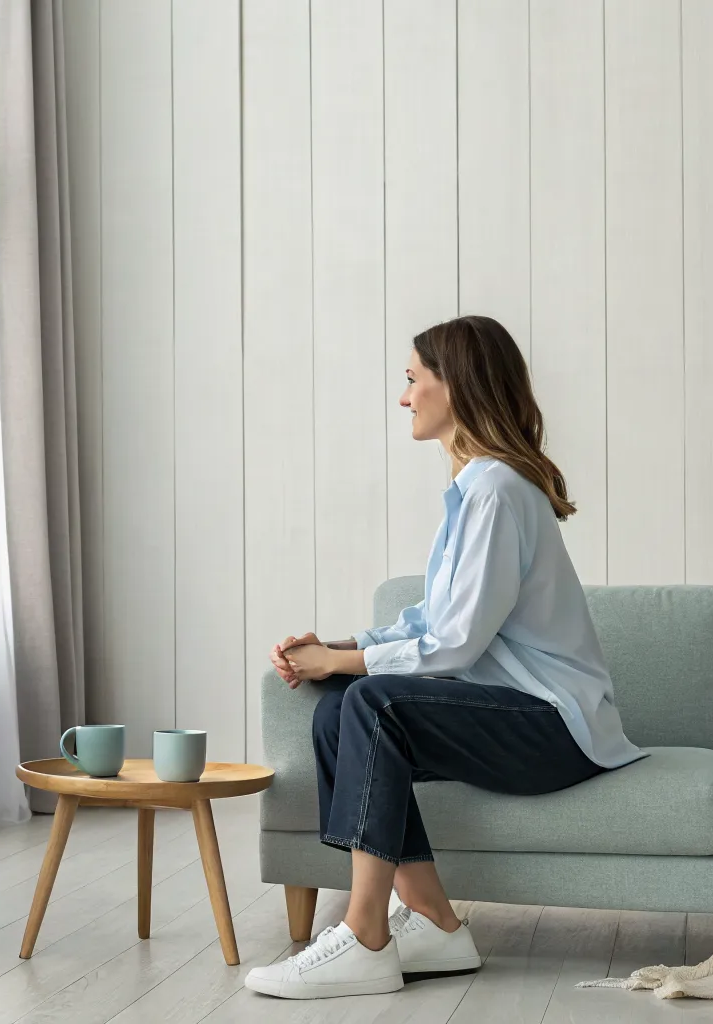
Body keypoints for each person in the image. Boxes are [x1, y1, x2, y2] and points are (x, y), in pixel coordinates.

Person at [242, 315, 646, 1000]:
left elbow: (455, 644)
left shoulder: (496, 491)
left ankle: (366, 934)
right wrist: (338, 649)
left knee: (367, 699)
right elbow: (434, 620)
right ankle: (434, 919)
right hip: (524, 719)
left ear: (454, 386)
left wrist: (342, 666)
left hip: (555, 729)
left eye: (412, 380)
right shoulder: (478, 491)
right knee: (339, 709)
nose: (404, 398)